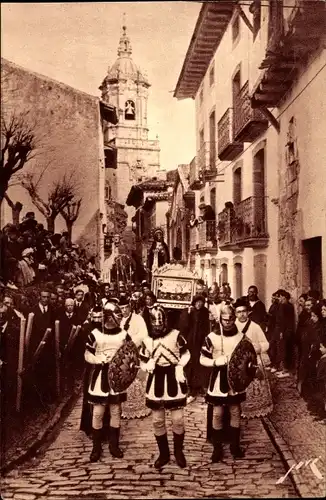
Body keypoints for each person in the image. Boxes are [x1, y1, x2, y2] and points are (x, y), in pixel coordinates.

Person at [139, 305, 190, 469]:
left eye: (160, 323)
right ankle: (164, 454)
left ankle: (178, 452)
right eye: (155, 323)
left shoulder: (176, 335)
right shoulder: (147, 340)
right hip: (156, 380)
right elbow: (142, 359)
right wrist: (147, 365)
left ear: (165, 321)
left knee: (178, 419)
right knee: (157, 420)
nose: (158, 326)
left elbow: (186, 353)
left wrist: (180, 366)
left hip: (173, 377)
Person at [83, 301, 130, 462]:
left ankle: (114, 445)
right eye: (112, 316)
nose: (114, 319)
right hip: (100, 375)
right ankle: (96, 447)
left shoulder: (123, 334)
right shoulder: (95, 334)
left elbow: (130, 353)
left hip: (116, 377)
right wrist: (98, 359)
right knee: (98, 412)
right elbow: (87, 354)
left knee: (116, 410)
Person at [200, 304, 247, 462]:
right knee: (217, 413)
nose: (227, 323)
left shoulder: (241, 336)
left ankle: (235, 445)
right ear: (220, 319)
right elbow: (202, 359)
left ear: (234, 319)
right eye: (224, 320)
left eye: (230, 320)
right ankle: (217, 448)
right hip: (219, 377)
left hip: (235, 379)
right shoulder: (212, 337)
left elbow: (247, 355)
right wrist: (215, 361)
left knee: (235, 411)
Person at [234, 298, 273, 418]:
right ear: (235, 313)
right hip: (237, 362)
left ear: (248, 312)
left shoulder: (255, 327)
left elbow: (266, 343)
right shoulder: (232, 327)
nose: (242, 314)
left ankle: (257, 408)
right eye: (239, 312)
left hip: (253, 361)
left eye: (244, 311)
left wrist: (259, 348)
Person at [119, 296, 151, 419]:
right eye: (121, 308)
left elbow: (144, 334)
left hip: (136, 352)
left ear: (130, 307)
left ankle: (139, 407)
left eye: (126, 307)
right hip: (122, 353)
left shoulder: (138, 319)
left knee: (137, 379)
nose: (124, 311)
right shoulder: (118, 320)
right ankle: (124, 408)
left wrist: (131, 342)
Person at [178, 294, 210, 403]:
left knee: (199, 364)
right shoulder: (188, 311)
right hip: (190, 342)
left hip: (200, 342)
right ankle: (191, 388)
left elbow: (207, 327)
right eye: (197, 302)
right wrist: (187, 314)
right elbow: (184, 326)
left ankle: (198, 386)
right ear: (194, 302)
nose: (199, 304)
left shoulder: (205, 312)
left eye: (201, 302)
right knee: (190, 363)